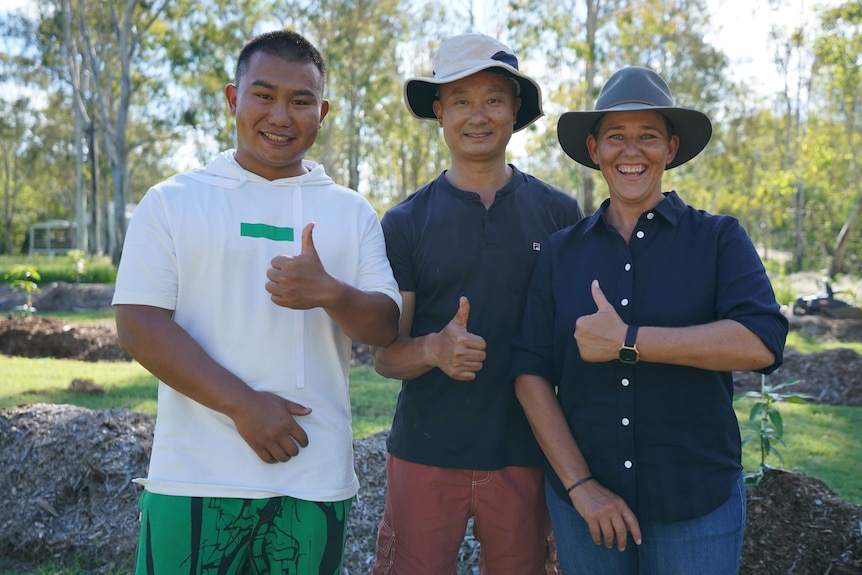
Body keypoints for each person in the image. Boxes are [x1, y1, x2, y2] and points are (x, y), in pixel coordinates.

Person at [112, 30, 401, 575]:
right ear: (232, 99)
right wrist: (243, 405)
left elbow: (384, 327)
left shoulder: (350, 210)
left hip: (313, 481)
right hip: (194, 476)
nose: (281, 115)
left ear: (324, 111)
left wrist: (331, 293)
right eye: (263, 95)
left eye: (300, 101)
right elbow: (138, 323)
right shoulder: (173, 200)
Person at [511, 66, 789, 574]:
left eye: (649, 137)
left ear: (672, 148)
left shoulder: (719, 239)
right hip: (586, 511)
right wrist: (580, 486)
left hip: (695, 504)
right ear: (595, 150)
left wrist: (628, 341)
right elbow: (529, 372)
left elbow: (761, 343)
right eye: (616, 137)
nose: (631, 151)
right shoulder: (560, 253)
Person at [370, 33, 584, 574]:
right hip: (425, 452)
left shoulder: (559, 214)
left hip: (527, 454)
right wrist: (434, 350)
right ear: (439, 112)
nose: (478, 115)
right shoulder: (404, 222)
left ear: (515, 109)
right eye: (461, 100)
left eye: (493, 98)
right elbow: (385, 356)